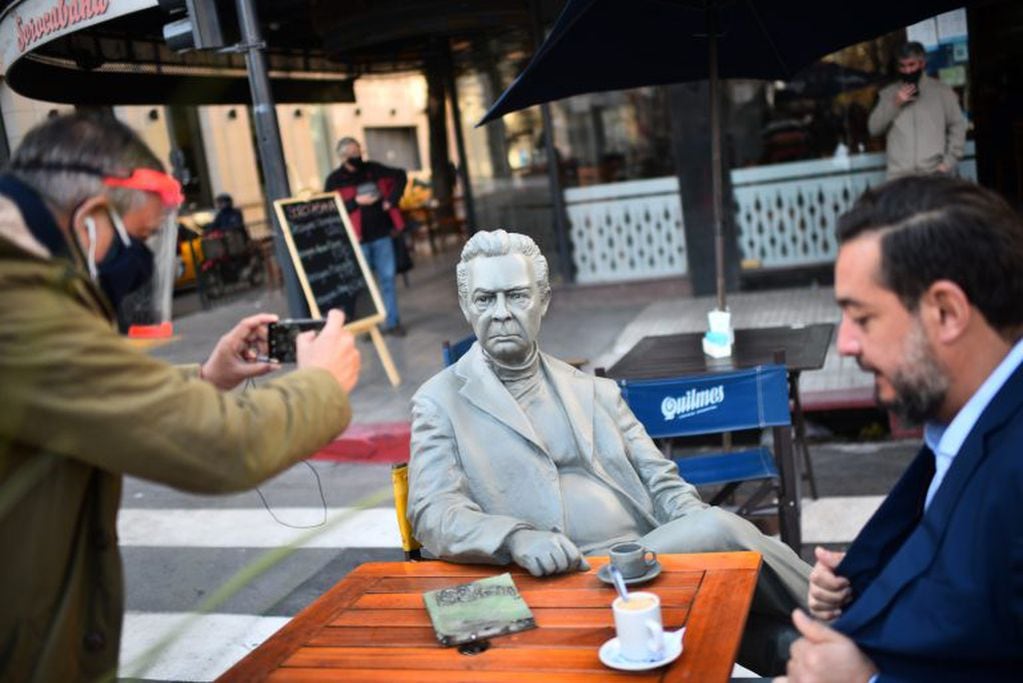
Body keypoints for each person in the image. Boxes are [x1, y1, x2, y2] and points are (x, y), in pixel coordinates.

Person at [0, 112, 361, 681]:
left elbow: (95, 395)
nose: (146, 263)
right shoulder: (18, 301)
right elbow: (221, 447)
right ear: (92, 220)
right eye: (142, 239)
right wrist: (321, 384)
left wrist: (205, 380)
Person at [408, 229, 813, 674]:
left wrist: (694, 535)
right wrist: (516, 538)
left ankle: (843, 650)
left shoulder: (594, 391)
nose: (501, 313)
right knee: (723, 528)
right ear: (466, 306)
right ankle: (847, 610)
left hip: (642, 555)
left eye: (517, 296)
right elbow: (431, 512)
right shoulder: (440, 400)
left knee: (763, 624)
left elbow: (662, 480)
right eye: (485, 300)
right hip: (557, 577)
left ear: (542, 300)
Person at [779, 176, 1023, 682]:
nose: (844, 343)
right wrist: (863, 580)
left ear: (946, 312)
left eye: (862, 318)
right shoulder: (965, 421)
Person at [324, 137, 408, 336]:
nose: (357, 156)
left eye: (359, 151)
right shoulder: (334, 180)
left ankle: (392, 322)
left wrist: (391, 200)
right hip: (356, 240)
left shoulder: (374, 168)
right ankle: (371, 327)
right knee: (364, 286)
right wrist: (356, 201)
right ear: (342, 156)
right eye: (352, 154)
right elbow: (329, 208)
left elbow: (400, 175)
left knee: (387, 280)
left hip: (382, 235)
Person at [867, 41, 967, 179]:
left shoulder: (942, 91)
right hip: (899, 177)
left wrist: (947, 163)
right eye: (902, 66)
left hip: (934, 174)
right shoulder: (888, 94)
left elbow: (958, 125)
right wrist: (894, 104)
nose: (907, 70)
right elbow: (873, 128)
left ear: (922, 64)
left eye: (911, 65)